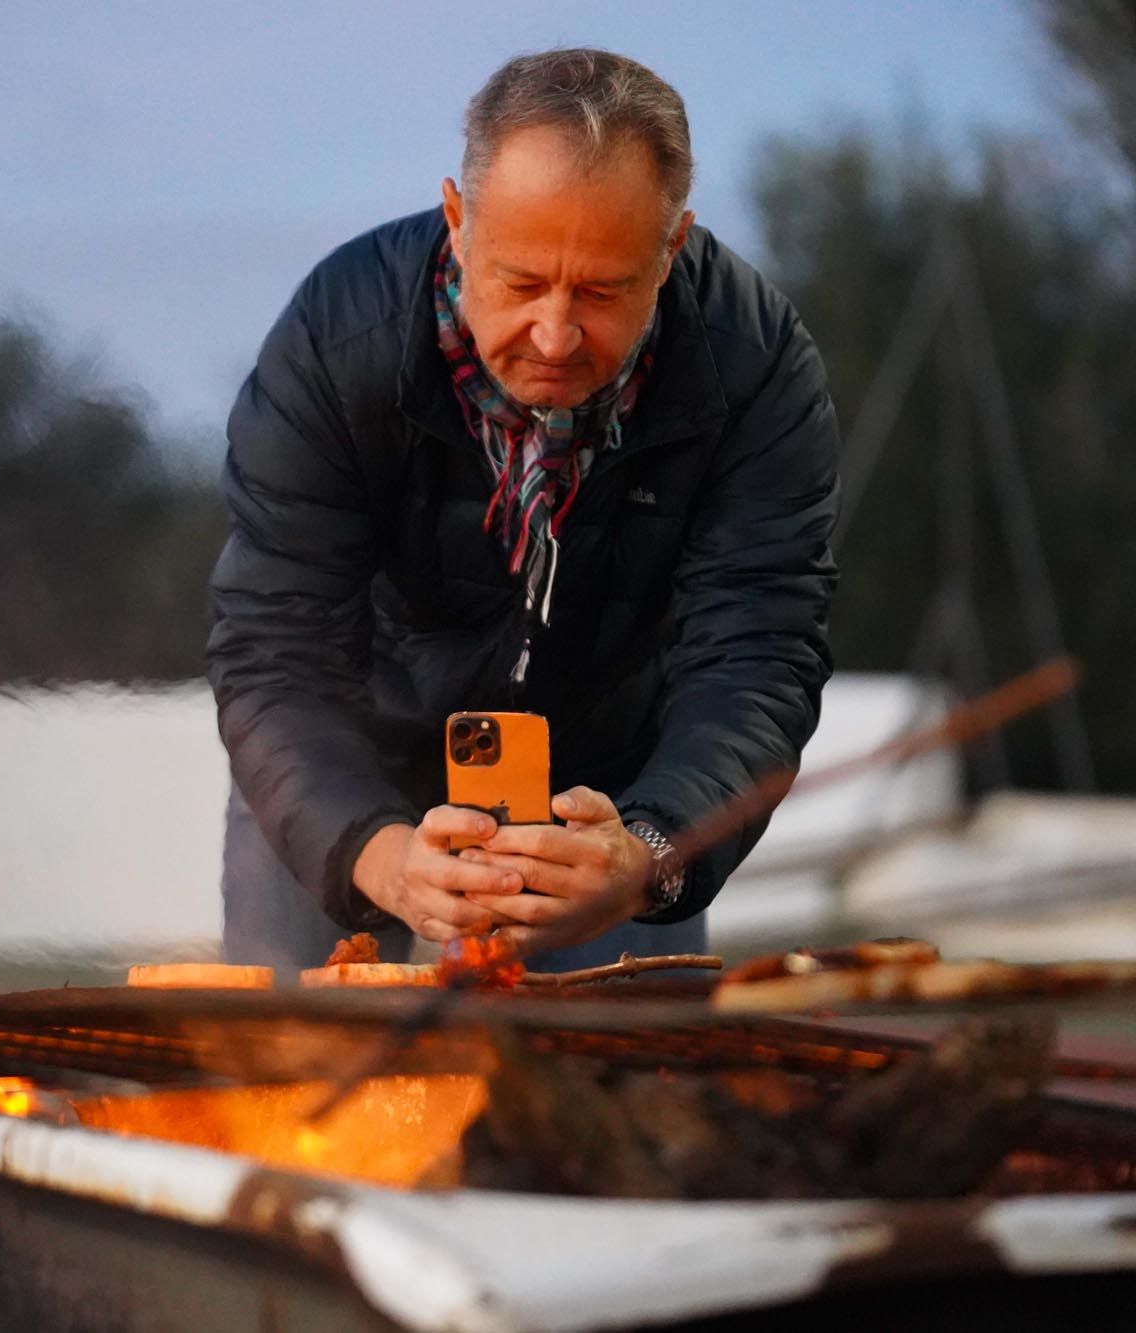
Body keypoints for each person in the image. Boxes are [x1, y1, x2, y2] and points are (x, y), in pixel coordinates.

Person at [206, 49, 839, 973]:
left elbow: (758, 654)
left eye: (601, 292)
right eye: (521, 281)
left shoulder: (757, 370)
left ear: (671, 249)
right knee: (277, 1093)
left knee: (614, 1111)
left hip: (609, 802)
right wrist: (372, 851)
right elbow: (271, 643)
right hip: (345, 778)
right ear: (460, 224)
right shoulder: (336, 341)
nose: (553, 334)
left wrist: (652, 854)